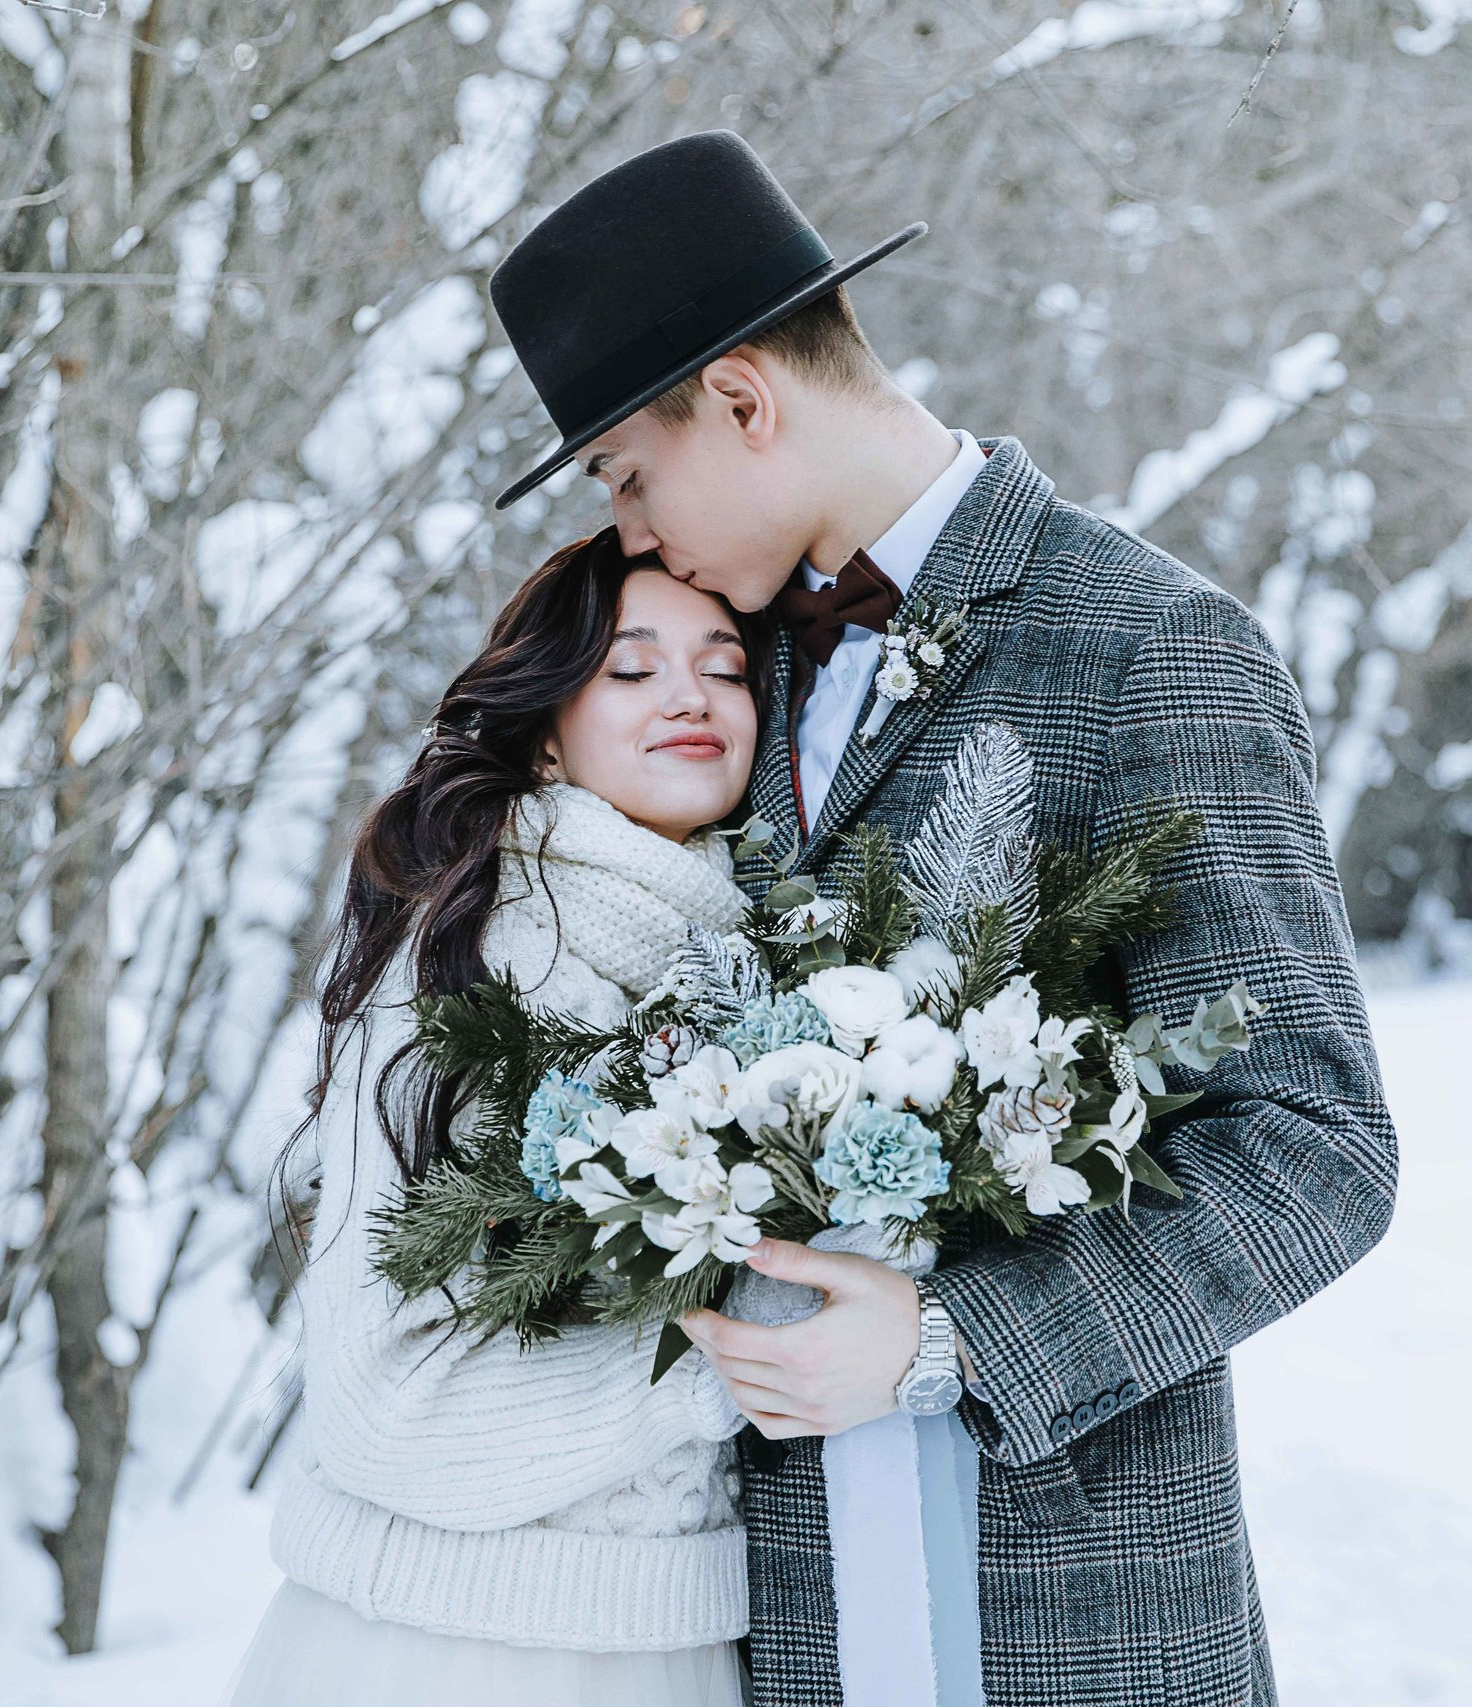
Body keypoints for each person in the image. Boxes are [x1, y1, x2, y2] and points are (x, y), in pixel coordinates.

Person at [482, 131, 1401, 1707]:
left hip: (1085, 1619)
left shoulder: (1151, 645)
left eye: (631, 473)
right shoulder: (718, 679)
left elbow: (1315, 1145)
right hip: (779, 1627)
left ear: (748, 400)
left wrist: (957, 1336)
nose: (632, 534)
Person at [222, 529, 764, 1706]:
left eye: (726, 667)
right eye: (632, 669)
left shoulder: (744, 968)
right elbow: (384, 1401)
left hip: (669, 1632)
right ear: (546, 731)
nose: (691, 696)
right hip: (460, 1647)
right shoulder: (487, 952)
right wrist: (747, 1358)